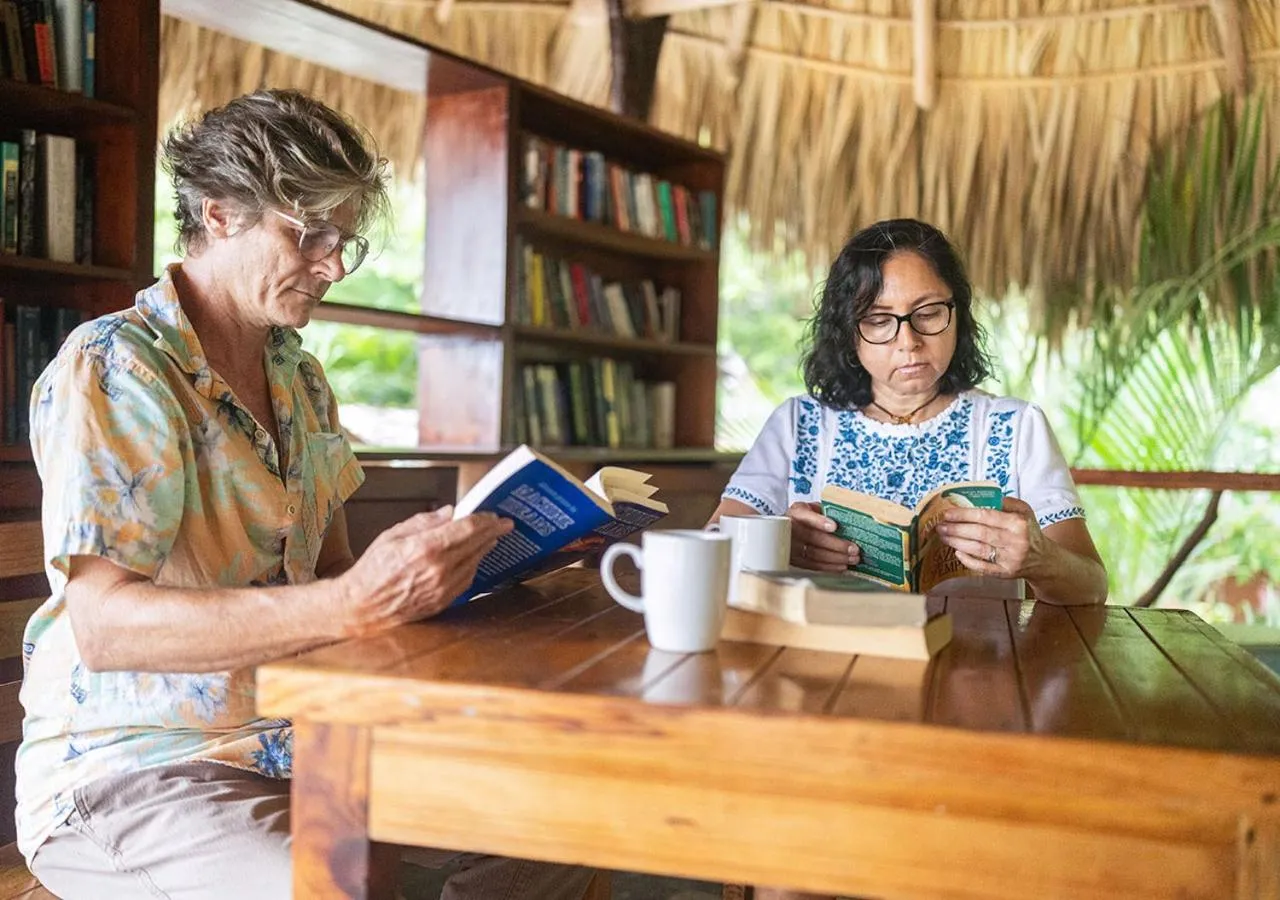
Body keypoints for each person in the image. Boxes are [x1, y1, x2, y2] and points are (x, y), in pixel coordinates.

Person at [17, 89, 595, 900]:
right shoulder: (116, 366)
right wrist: (356, 601)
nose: (333, 265)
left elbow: (331, 576)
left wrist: (486, 561)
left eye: (344, 241)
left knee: (560, 819)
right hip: (136, 767)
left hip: (306, 737)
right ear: (219, 214)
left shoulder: (301, 378)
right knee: (334, 886)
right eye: (310, 234)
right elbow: (107, 626)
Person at [710, 219, 1107, 899]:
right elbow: (714, 546)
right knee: (794, 876)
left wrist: (1038, 557)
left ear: (958, 312)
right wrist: (779, 540)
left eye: (928, 313)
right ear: (849, 330)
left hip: (974, 709)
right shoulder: (800, 426)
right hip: (819, 705)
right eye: (880, 320)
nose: (909, 341)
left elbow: (1089, 585)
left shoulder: (1013, 428)